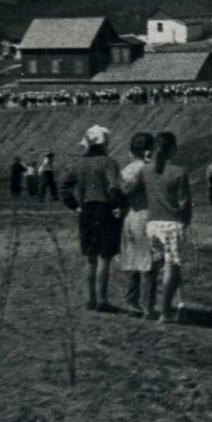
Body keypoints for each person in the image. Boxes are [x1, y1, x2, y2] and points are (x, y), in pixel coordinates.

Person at [59, 125, 123, 313]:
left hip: (86, 211)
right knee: (105, 257)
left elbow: (64, 187)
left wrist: (75, 205)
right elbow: (113, 187)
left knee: (90, 258)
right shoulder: (109, 162)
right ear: (104, 143)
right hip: (104, 210)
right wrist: (116, 206)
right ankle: (102, 300)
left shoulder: (78, 164)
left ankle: (90, 300)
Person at [145, 131, 193, 324]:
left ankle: (165, 306)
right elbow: (185, 202)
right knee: (172, 268)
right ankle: (165, 312)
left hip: (151, 224)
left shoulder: (146, 170)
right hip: (172, 223)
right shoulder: (179, 172)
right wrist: (185, 220)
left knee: (161, 267)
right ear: (173, 149)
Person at [119, 132, 158, 317]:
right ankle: (148, 306)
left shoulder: (126, 169)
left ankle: (131, 301)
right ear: (148, 150)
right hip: (146, 216)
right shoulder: (149, 168)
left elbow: (120, 192)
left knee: (133, 261)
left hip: (130, 217)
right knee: (149, 263)